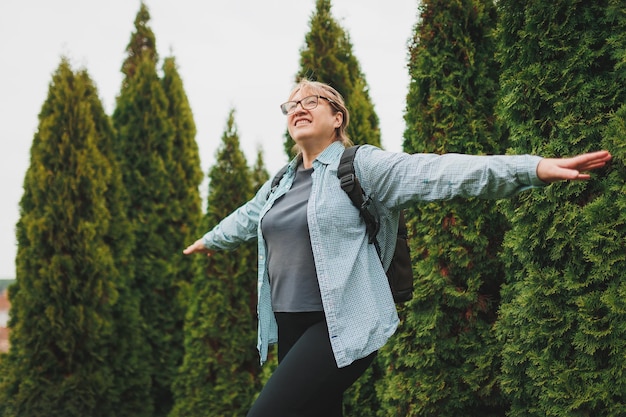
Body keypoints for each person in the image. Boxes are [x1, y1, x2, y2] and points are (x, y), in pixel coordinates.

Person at [183, 79, 612, 416]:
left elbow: (437, 172)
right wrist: (208, 239)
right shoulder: (281, 181)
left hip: (341, 325)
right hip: (290, 324)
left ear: (337, 118)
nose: (298, 107)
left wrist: (530, 168)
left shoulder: (361, 165)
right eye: (291, 104)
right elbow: (246, 217)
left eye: (312, 100)